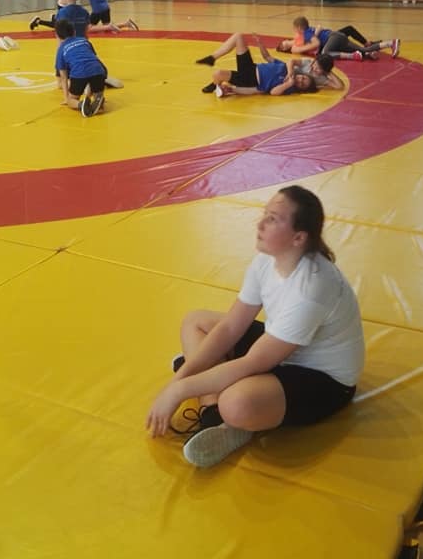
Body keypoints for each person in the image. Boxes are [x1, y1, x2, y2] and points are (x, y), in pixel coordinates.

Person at [146, 185, 364, 468]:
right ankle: (212, 414)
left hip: (324, 381)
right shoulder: (267, 260)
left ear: (298, 237)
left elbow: (253, 362)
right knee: (196, 322)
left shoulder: (312, 288)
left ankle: (228, 410)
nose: (260, 224)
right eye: (265, 214)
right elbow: (230, 327)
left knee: (236, 403)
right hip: (282, 349)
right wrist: (179, 382)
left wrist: (178, 390)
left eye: (273, 219)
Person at [196, 33, 318, 96]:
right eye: (303, 78)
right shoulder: (286, 68)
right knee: (238, 36)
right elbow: (267, 57)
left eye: (302, 84)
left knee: (217, 74)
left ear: (300, 89)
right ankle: (212, 58)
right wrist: (261, 44)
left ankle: (217, 85)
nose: (300, 80)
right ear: (302, 74)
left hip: (250, 80)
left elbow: (273, 92)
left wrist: (288, 84)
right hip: (251, 67)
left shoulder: (289, 88)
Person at [277, 16, 401, 60]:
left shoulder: (305, 34)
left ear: (299, 28)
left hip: (333, 38)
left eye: (283, 43)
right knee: (363, 50)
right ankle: (390, 43)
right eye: (283, 46)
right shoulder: (301, 38)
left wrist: (311, 44)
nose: (284, 44)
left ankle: (352, 56)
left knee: (325, 54)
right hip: (336, 37)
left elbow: (316, 43)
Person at [54, 19, 107, 117]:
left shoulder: (61, 50)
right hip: (98, 71)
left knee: (72, 100)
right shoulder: (84, 41)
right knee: (97, 92)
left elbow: (63, 77)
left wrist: (67, 98)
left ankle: (81, 104)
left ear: (57, 36)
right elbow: (94, 59)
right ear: (74, 32)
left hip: (80, 74)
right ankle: (99, 100)